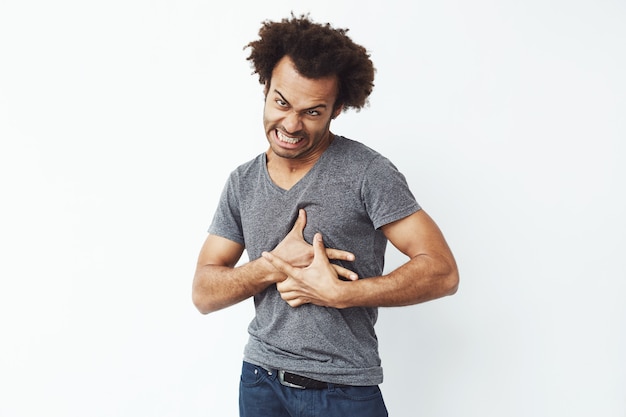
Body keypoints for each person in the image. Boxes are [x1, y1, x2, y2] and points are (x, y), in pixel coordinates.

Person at [192, 14, 459, 417]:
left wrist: (342, 294)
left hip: (343, 392)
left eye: (313, 112)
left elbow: (442, 271)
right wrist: (272, 266)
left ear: (336, 110)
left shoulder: (368, 173)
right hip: (260, 381)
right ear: (265, 88)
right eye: (282, 102)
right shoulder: (242, 182)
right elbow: (203, 293)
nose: (291, 125)